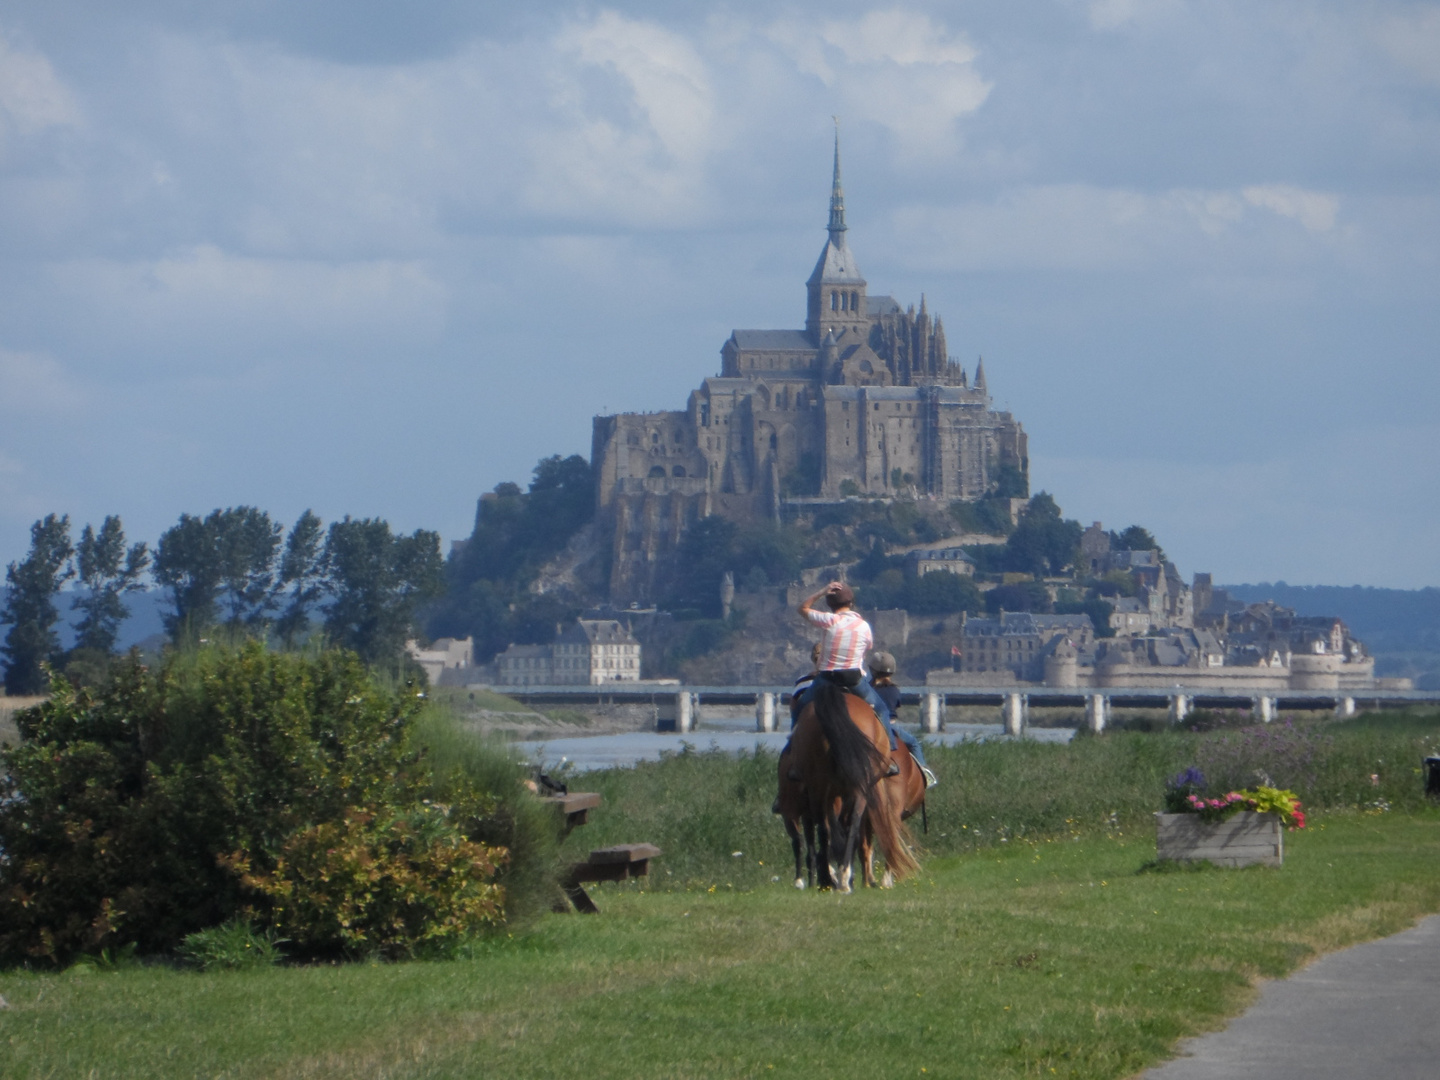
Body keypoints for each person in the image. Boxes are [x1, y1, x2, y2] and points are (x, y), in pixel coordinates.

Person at [792, 582, 898, 772]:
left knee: (800, 708)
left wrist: (822, 591)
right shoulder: (864, 626)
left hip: (827, 679)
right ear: (852, 602)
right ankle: (889, 756)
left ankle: (793, 750)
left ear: (829, 604)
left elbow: (802, 608)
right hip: (854, 679)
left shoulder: (829, 620)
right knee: (881, 709)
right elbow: (867, 649)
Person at [868, 650, 937, 788]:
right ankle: (924, 773)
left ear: (873, 671)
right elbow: (896, 705)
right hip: (892, 727)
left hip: (873, 726)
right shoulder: (894, 690)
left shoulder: (869, 689)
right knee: (914, 743)